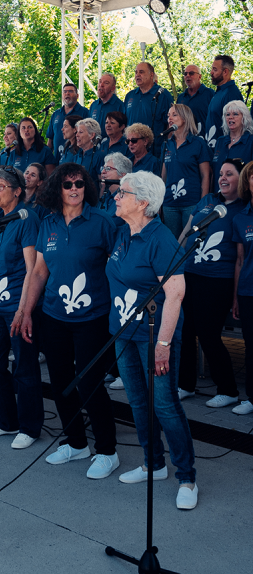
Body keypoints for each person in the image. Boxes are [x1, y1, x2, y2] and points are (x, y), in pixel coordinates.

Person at [17, 163, 119, 480]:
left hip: (93, 317)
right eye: (67, 184)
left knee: (88, 383)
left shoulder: (103, 222)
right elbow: (38, 271)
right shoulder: (47, 224)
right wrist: (25, 311)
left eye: (78, 183)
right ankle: (76, 443)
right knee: (60, 382)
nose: (73, 189)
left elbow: (118, 268)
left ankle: (107, 451)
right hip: (54, 316)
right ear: (56, 189)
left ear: (86, 187)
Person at [107, 171, 197, 509]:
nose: (116, 196)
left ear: (143, 202)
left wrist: (163, 345)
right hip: (124, 332)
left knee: (164, 404)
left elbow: (175, 294)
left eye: (123, 193)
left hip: (154, 335)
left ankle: (187, 477)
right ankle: (153, 463)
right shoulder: (124, 233)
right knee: (138, 402)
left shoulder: (161, 239)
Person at [0, 166, 43, 448]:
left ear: (17, 191)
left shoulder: (27, 219)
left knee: (25, 368)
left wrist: (22, 308)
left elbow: (32, 269)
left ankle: (29, 427)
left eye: (1, 186)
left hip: (18, 305)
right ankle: (8, 420)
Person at [178, 159, 246, 407]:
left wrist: (236, 296)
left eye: (230, 174)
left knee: (208, 334)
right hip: (191, 274)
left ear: (242, 179)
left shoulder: (244, 209)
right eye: (220, 174)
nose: (222, 178)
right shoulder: (207, 201)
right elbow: (185, 233)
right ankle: (185, 385)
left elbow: (240, 256)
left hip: (218, 280)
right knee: (185, 332)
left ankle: (228, 390)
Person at [160, 103, 211, 239]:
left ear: (185, 118)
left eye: (174, 115)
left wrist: (202, 203)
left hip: (192, 203)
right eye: (168, 115)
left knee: (189, 242)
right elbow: (163, 176)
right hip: (169, 203)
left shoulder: (198, 143)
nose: (170, 118)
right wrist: (160, 201)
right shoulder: (167, 143)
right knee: (172, 244)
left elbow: (206, 175)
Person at [232, 161, 253, 415]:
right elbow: (239, 261)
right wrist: (236, 296)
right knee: (251, 346)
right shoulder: (240, 217)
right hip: (248, 291)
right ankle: (251, 397)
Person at [124, 62, 173, 155]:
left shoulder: (163, 95)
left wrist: (166, 146)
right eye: (136, 72)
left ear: (151, 75)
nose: (137, 75)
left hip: (155, 152)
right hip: (132, 152)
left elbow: (170, 124)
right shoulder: (130, 96)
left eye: (141, 72)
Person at [205, 55, 244, 149]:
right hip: (212, 149)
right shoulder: (219, 92)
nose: (211, 72)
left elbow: (234, 126)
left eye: (215, 69)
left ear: (225, 71)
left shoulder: (231, 93)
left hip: (223, 151)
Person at [211, 100, 253, 185]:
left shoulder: (251, 141)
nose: (230, 117)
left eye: (235, 114)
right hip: (219, 194)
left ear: (244, 118)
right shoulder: (220, 141)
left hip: (242, 194)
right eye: (227, 114)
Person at [46, 83, 89, 161]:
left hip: (76, 159)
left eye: (70, 91)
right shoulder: (56, 114)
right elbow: (50, 140)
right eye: (65, 91)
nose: (67, 93)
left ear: (77, 96)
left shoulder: (85, 112)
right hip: (57, 161)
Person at [177, 64, 214, 134]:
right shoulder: (181, 97)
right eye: (185, 74)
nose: (188, 75)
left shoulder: (210, 94)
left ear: (199, 77)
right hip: (185, 140)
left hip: (205, 140)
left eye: (191, 73)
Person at [99, 153, 132, 226]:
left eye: (108, 169)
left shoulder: (127, 200)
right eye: (103, 168)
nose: (103, 172)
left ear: (122, 175)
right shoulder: (105, 196)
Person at [89, 72, 124, 138]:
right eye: (100, 82)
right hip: (94, 145)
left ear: (113, 88)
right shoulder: (94, 105)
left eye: (106, 83)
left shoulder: (120, 106)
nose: (101, 85)